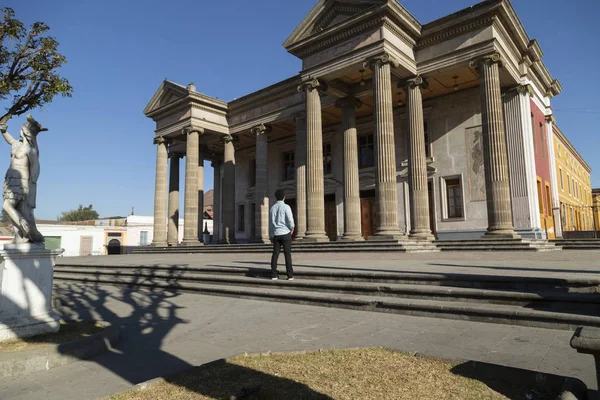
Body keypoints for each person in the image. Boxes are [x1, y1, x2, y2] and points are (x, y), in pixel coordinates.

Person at [0, 115, 46, 244]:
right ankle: (20, 236)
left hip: (22, 179)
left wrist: (33, 182)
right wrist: (3, 131)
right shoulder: (17, 144)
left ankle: (23, 223)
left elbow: (36, 166)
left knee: (7, 206)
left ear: (25, 132)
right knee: (16, 207)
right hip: (10, 178)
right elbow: (9, 139)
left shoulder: (30, 150)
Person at [269, 189, 295, 280]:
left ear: (276, 197)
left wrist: (272, 234)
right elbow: (290, 219)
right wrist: (292, 227)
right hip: (285, 233)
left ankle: (273, 274)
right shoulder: (286, 207)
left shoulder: (272, 208)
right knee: (287, 254)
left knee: (275, 254)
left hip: (276, 233)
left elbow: (271, 222)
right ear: (284, 197)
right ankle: (290, 275)